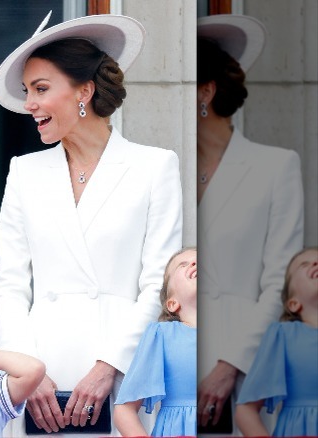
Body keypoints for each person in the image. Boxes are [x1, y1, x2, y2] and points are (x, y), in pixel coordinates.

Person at [0, 13, 183, 435]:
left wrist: (110, 365)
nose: (30, 104)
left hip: (125, 372)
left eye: (41, 89)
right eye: (27, 92)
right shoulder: (24, 171)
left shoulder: (154, 166)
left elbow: (159, 284)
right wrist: (25, 370)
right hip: (40, 377)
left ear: (85, 91)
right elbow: (10, 284)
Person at [196, 15, 304, 432]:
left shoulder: (275, 166)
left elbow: (280, 280)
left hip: (246, 363)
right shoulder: (167, 169)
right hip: (179, 355)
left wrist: (231, 364)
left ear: (206, 91)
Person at [114, 248, 198, 436]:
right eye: (183, 265)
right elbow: (124, 411)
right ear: (172, 303)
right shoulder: (161, 335)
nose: (195, 264)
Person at [235, 247, 318, 436]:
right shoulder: (283, 335)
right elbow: (245, 411)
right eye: (305, 265)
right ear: (293, 303)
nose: (315, 263)